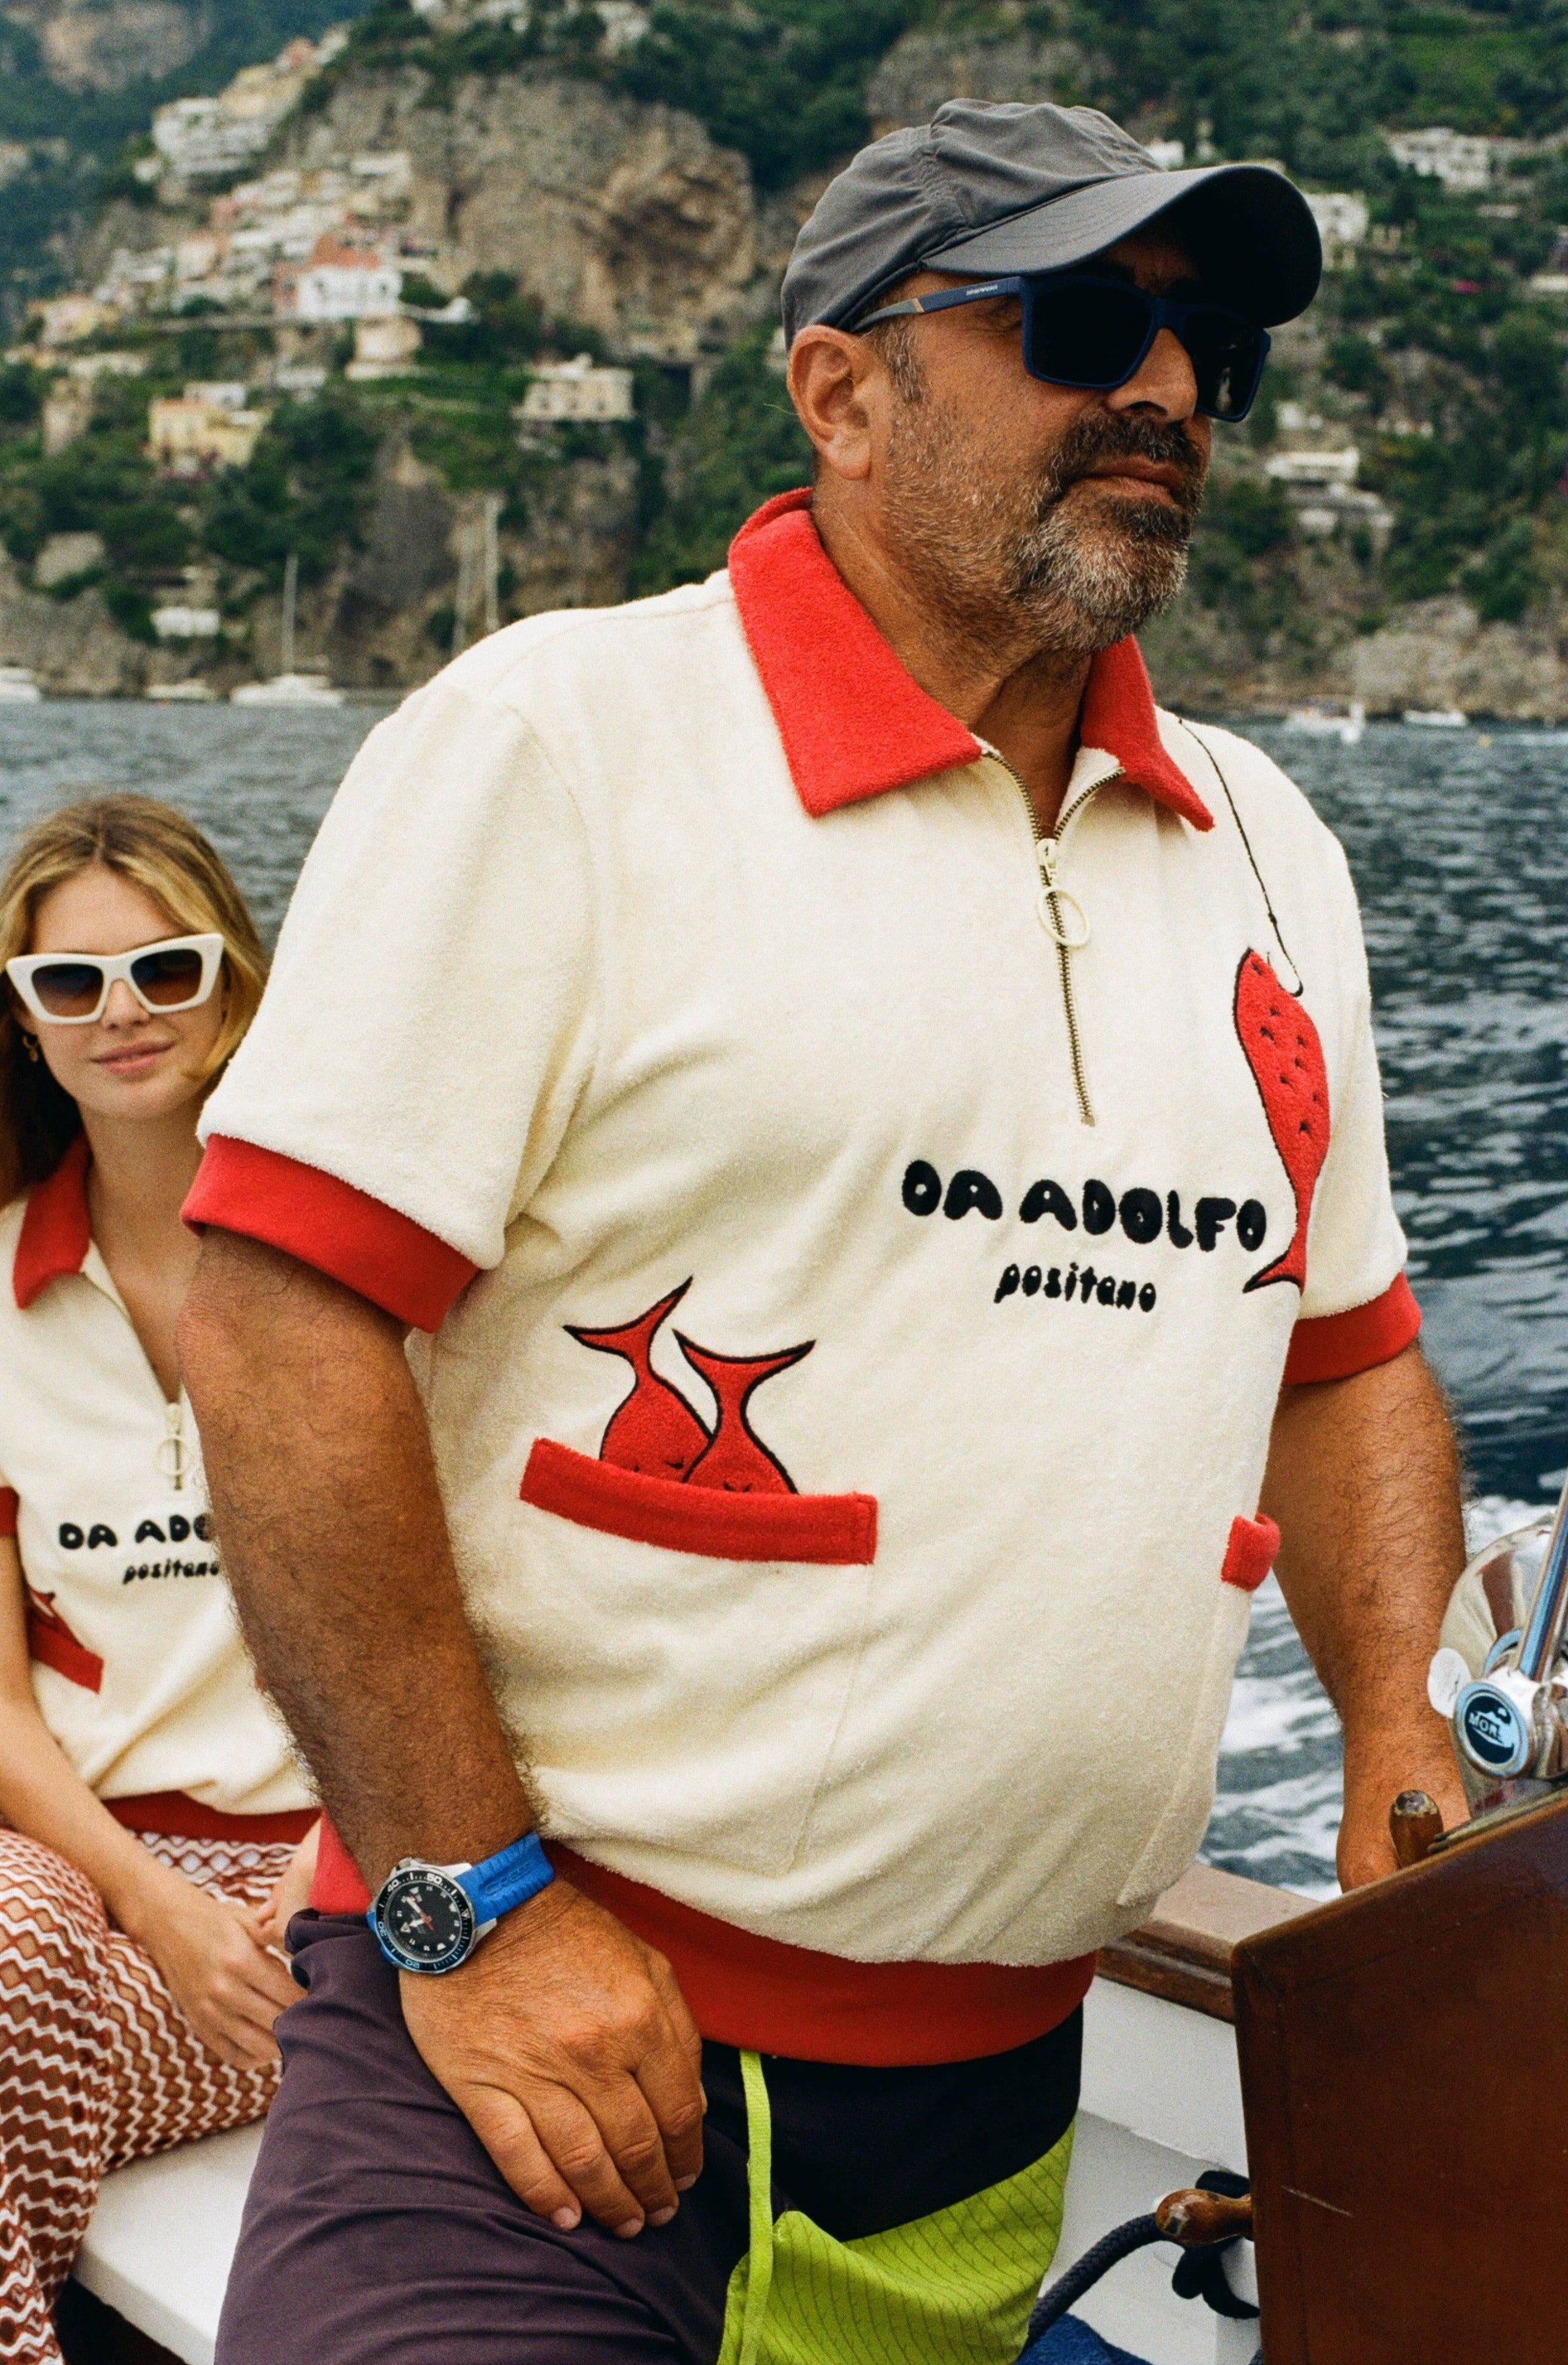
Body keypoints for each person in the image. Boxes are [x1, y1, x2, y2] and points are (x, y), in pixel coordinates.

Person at [180, 103, 1469, 2365]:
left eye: (1207, 352)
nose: (1163, 393)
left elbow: (1340, 1360)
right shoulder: (564, 744)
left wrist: (1391, 1742)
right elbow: (284, 1320)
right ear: (841, 391)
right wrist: (471, 1914)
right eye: (1082, 323)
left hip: (988, 2115)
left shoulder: (1270, 847)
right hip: (528, 2063)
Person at [0, 796, 318, 2365]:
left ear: (239, 986)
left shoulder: (359, 1273)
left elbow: (492, 1616)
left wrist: (334, 1870)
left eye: (166, 971)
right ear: (25, 1021)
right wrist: (144, 1903)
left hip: (327, 1891)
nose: (120, 1013)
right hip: (70, 1870)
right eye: (70, 984)